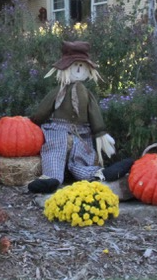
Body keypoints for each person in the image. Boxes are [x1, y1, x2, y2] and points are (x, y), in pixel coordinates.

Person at [27, 41, 122, 194]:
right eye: (74, 65)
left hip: (82, 131)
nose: (78, 69)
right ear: (64, 68)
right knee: (54, 150)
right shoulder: (58, 91)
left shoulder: (87, 94)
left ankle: (99, 173)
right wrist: (33, 122)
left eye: (82, 66)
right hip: (58, 128)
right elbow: (44, 109)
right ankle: (51, 179)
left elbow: (94, 113)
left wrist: (100, 132)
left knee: (82, 155)